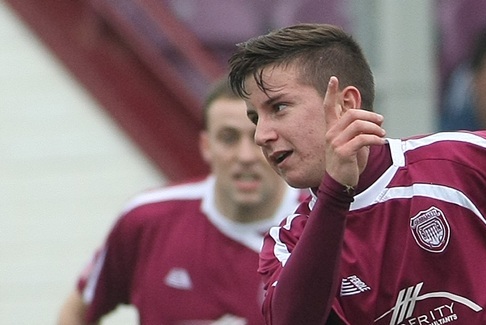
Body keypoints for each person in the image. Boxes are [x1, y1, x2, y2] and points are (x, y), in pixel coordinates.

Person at [227, 23, 486, 324]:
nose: (262, 134)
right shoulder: (289, 240)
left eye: (278, 107)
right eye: (254, 117)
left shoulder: (460, 161)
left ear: (344, 104)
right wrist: (337, 195)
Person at [56, 78, 304, 325]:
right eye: (228, 138)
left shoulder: (321, 226)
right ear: (207, 146)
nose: (245, 156)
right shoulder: (146, 219)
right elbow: (77, 312)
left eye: (257, 138)